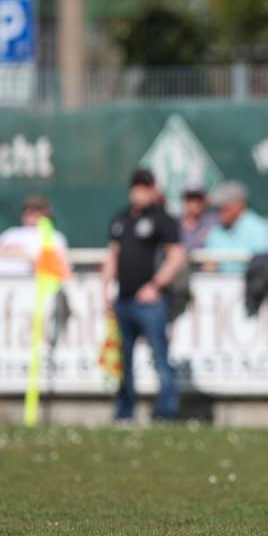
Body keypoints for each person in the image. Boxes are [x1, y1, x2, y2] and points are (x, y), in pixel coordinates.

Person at [101, 169, 186, 420]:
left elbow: (177, 256)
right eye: (137, 186)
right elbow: (112, 255)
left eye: (146, 186)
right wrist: (105, 287)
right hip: (123, 300)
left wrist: (156, 285)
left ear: (153, 190)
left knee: (160, 356)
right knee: (123, 360)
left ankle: (167, 411)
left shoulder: (163, 219)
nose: (140, 191)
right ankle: (125, 410)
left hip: (151, 302)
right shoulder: (120, 219)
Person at [205, 181, 268, 272]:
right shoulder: (216, 231)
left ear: (239, 205)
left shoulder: (258, 230)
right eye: (217, 209)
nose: (219, 213)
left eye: (223, 207)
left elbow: (266, 268)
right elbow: (208, 264)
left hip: (252, 284)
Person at [0, 194, 69, 276]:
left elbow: (56, 267)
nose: (31, 211)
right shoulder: (10, 233)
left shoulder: (54, 237)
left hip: (31, 282)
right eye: (27, 208)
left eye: (37, 208)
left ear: (46, 212)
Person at [179, 183, 217, 251]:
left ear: (205, 200)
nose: (195, 203)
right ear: (185, 201)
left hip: (206, 260)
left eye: (199, 199)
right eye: (191, 199)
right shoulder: (176, 222)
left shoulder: (213, 220)